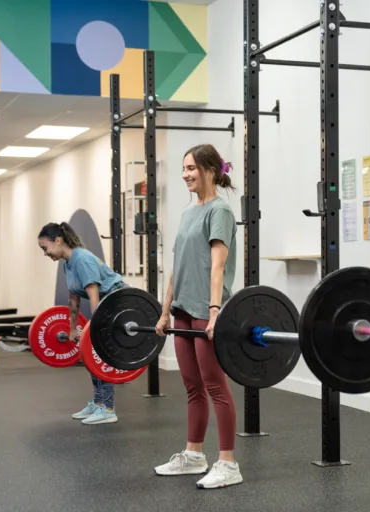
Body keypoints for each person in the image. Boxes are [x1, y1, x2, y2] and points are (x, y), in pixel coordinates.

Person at [152, 143, 242, 490]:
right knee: (192, 386)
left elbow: (218, 265)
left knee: (215, 385)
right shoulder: (188, 213)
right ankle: (193, 456)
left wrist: (216, 311)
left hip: (208, 310)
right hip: (183, 309)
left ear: (209, 170)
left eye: (191, 168)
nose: (186, 175)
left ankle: (228, 462)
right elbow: (178, 267)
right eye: (183, 169)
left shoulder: (220, 211)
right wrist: (164, 311)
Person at [37, 221, 128, 426]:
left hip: (120, 303)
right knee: (90, 355)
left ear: (58, 241)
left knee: (100, 354)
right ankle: (98, 402)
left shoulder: (81, 259)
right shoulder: (68, 262)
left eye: (45, 248)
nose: (45, 253)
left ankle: (108, 408)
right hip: (106, 305)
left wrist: (94, 329)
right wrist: (72, 328)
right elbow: (73, 299)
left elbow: (94, 295)